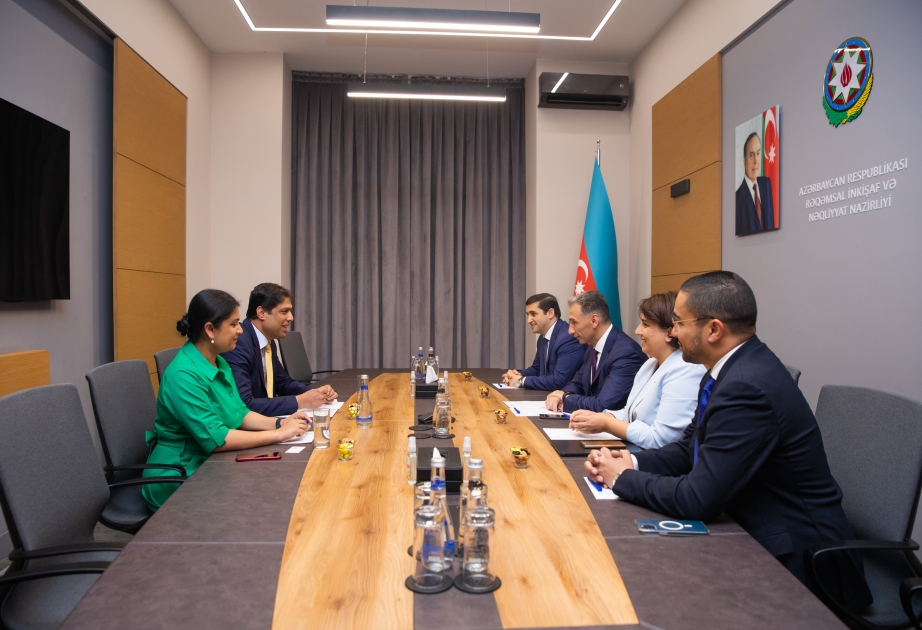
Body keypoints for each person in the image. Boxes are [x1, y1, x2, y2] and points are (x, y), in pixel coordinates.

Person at [584, 272, 871, 607]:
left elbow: (697, 499)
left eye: (678, 323)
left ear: (714, 330)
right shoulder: (727, 370)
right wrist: (631, 461)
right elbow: (688, 448)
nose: (672, 332)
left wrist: (623, 479)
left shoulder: (746, 386)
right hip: (746, 522)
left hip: (800, 560)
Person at [143, 289, 310, 511]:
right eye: (233, 324)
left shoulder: (218, 362)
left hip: (210, 463)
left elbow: (240, 413)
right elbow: (217, 439)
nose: (240, 330)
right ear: (210, 329)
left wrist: (281, 423)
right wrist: (279, 434)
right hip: (178, 475)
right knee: (264, 498)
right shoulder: (183, 376)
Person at [568, 292, 705, 449]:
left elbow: (661, 439)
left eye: (645, 325)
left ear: (669, 332)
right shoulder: (650, 364)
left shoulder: (686, 370)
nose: (637, 331)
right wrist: (602, 416)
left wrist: (607, 423)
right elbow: (630, 414)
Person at [222, 283, 336, 416]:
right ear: (261, 313)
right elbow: (245, 404)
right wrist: (300, 401)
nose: (291, 317)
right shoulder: (239, 343)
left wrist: (315, 393)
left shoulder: (268, 341)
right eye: (284, 311)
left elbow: (283, 383)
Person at [545, 290, 645, 413]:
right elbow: (577, 383)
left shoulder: (625, 353)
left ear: (594, 321)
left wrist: (565, 398)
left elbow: (604, 405)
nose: (570, 331)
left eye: (574, 322)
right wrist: (560, 394)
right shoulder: (592, 348)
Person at [501, 293, 583, 391]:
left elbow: (559, 381)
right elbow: (537, 369)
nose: (528, 320)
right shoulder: (542, 338)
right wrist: (515, 375)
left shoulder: (568, 338)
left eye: (533, 314)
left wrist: (521, 381)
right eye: (528, 315)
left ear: (550, 313)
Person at [735, 132, 775, 236]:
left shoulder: (766, 184)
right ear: (744, 161)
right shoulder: (737, 198)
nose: (756, 161)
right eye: (751, 155)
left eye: (758, 153)